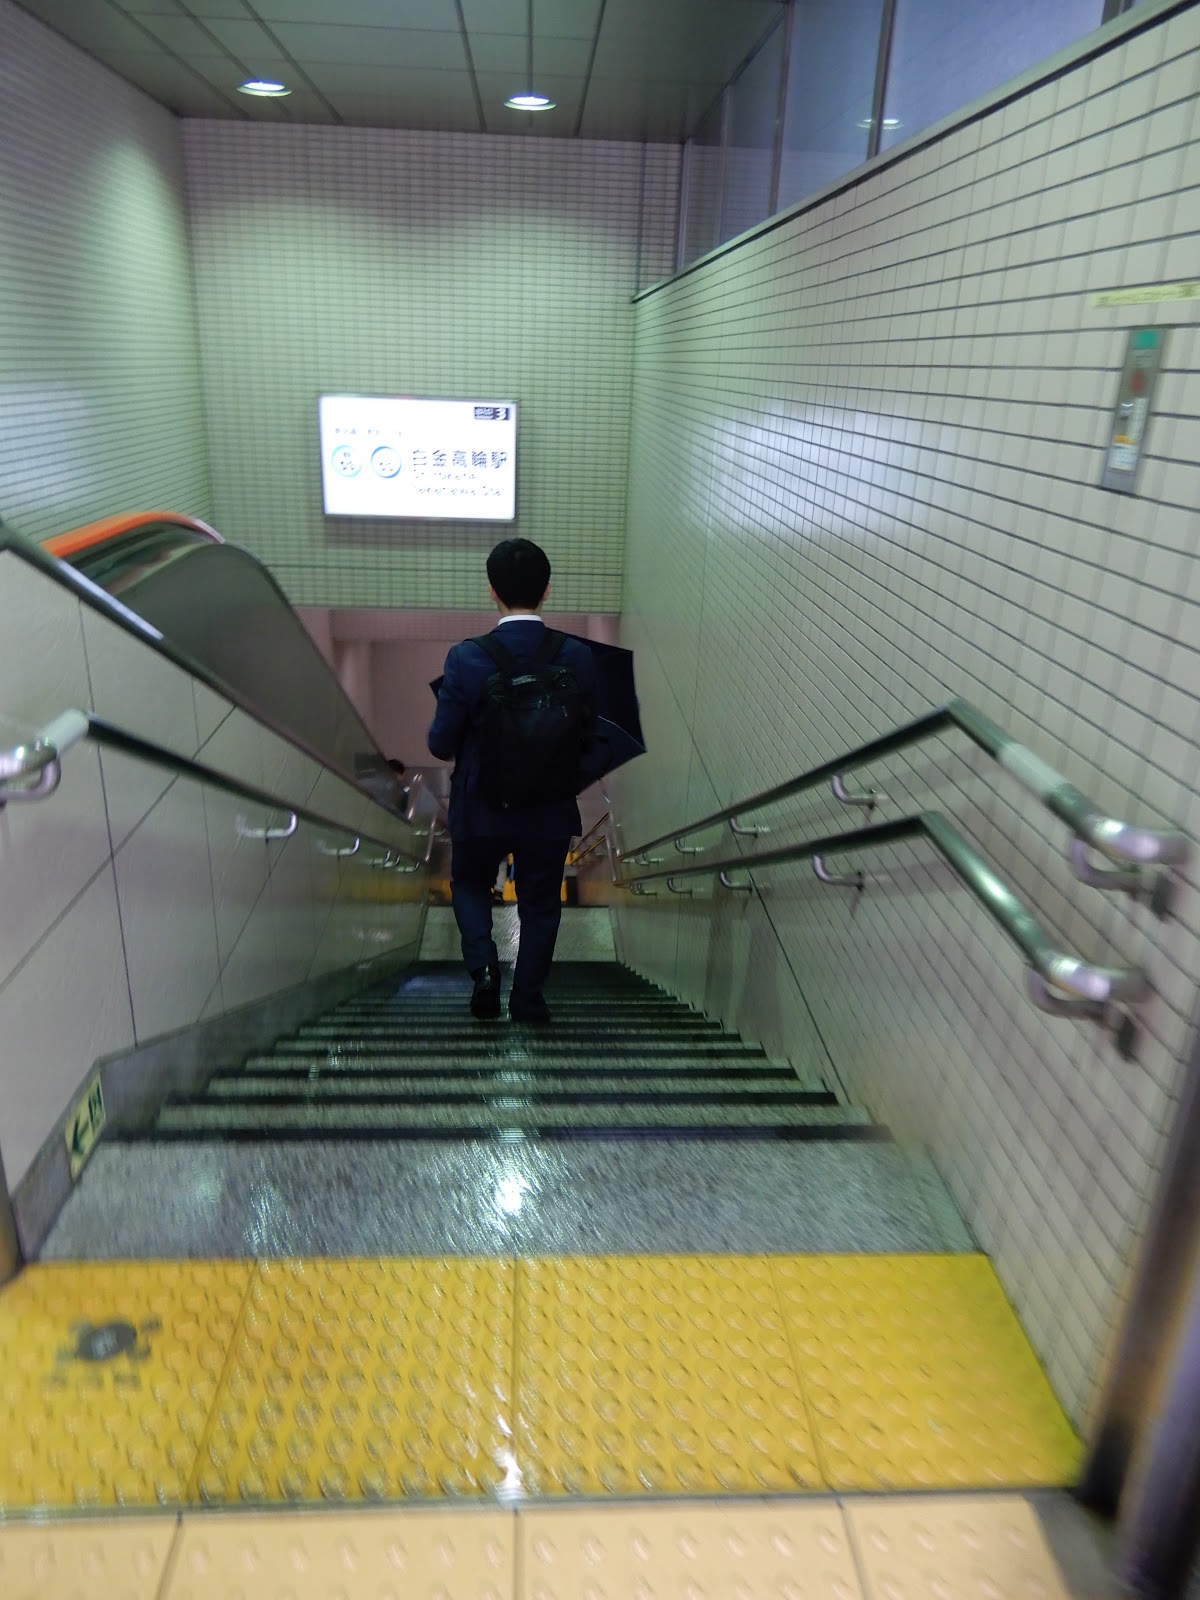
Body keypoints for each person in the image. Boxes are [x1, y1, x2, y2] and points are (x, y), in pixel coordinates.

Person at [427, 539, 600, 1023]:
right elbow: (590, 739)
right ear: (547, 591)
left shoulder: (466, 658)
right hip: (548, 808)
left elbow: (440, 744)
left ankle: (484, 970)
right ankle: (527, 999)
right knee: (540, 904)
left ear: (492, 590)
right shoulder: (578, 656)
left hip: (480, 804)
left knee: (469, 883)